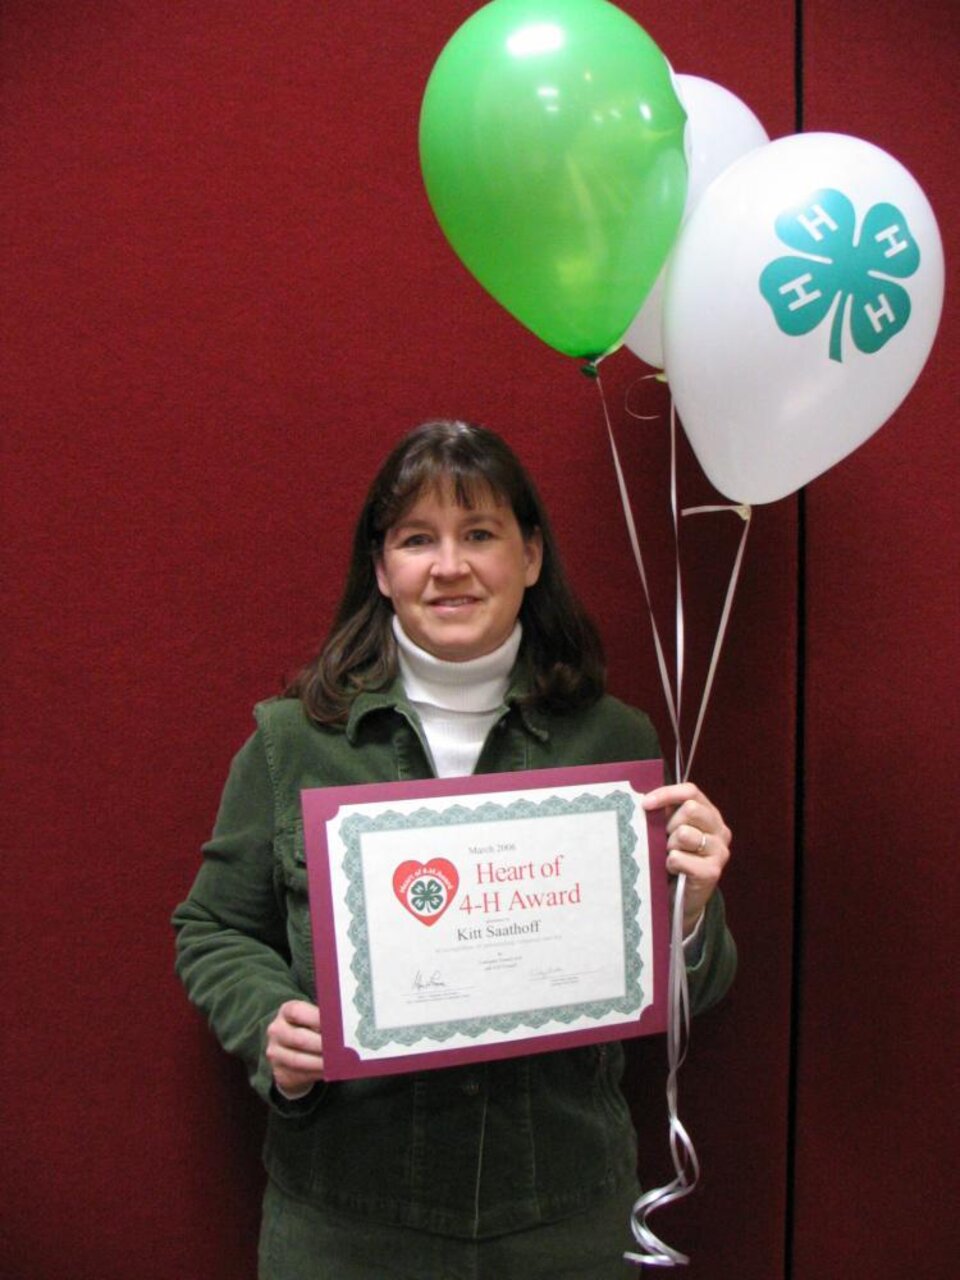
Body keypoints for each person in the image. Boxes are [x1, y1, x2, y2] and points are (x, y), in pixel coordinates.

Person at [173, 420, 736, 1279]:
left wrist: (692, 913)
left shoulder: (613, 741)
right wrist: (267, 1021)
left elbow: (695, 990)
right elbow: (212, 927)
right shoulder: (292, 743)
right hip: (348, 1216)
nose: (449, 566)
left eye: (479, 535)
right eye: (416, 539)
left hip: (564, 1218)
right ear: (380, 567)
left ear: (532, 556)